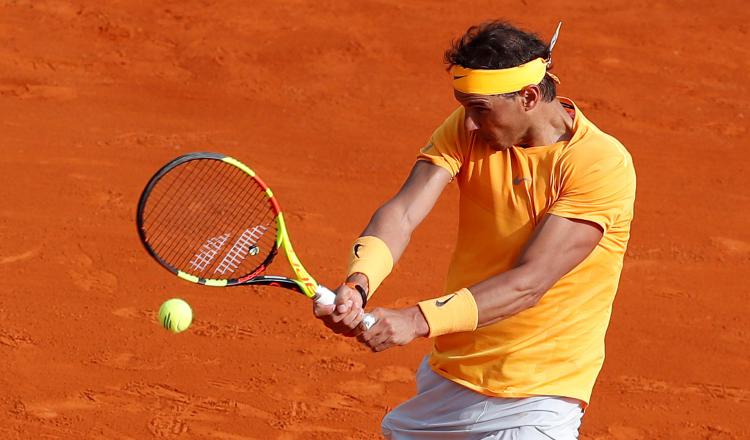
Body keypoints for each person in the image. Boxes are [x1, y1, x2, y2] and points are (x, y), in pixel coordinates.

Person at [313, 20, 636, 439]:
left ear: (529, 96)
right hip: (451, 377)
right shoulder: (473, 129)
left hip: (534, 396)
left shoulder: (598, 163)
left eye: (479, 108)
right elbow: (404, 212)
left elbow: (529, 282)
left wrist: (417, 319)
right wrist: (359, 284)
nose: (467, 123)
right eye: (463, 106)